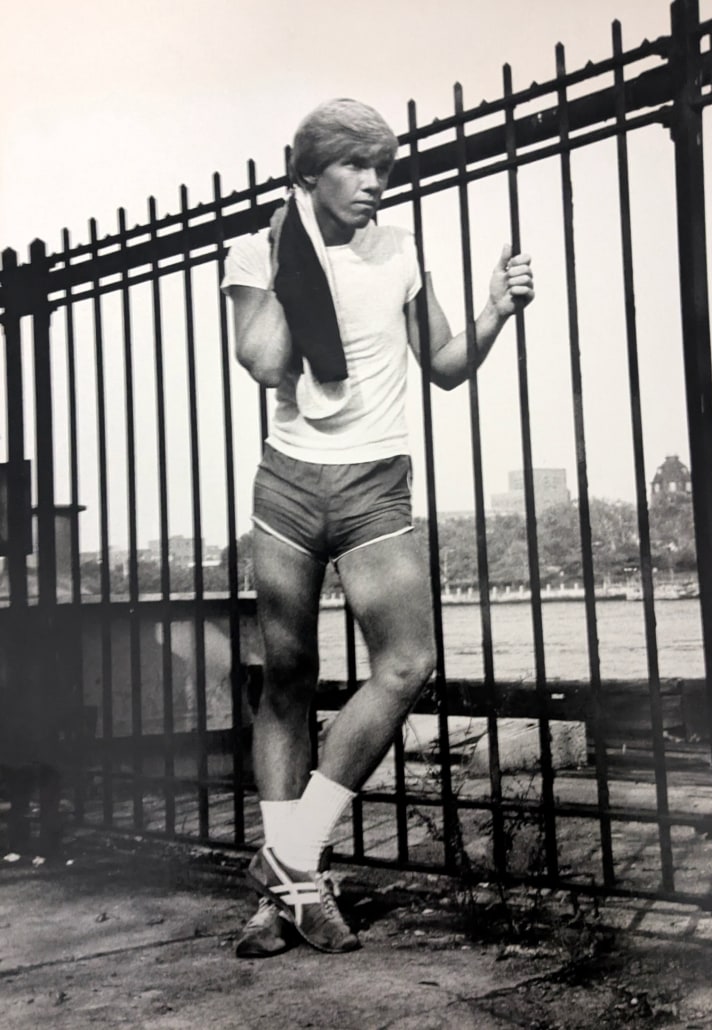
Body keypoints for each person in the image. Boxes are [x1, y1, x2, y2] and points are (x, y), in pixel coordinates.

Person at [221, 98, 534, 957]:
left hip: (375, 482)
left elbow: (442, 367)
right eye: (355, 167)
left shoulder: (401, 249)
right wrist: (300, 254)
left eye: (383, 169)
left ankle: (285, 854)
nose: (373, 185)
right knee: (285, 676)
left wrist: (495, 311)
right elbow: (267, 362)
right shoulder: (259, 249)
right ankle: (289, 895)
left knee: (406, 663)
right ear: (309, 171)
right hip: (287, 485)